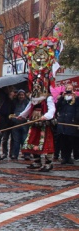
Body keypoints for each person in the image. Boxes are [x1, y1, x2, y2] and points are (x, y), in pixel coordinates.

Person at [18, 37, 58, 172]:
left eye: (38, 85)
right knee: (32, 141)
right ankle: (36, 161)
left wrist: (45, 117)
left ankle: (48, 163)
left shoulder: (48, 97)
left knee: (45, 142)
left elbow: (52, 111)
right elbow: (30, 106)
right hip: (34, 122)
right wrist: (21, 116)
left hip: (44, 123)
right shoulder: (35, 97)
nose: (36, 87)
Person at [56, 84, 78, 164]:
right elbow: (57, 107)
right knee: (62, 140)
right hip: (62, 122)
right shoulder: (63, 99)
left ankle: (68, 157)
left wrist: (76, 120)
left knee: (70, 140)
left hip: (71, 122)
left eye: (70, 89)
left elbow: (77, 110)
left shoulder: (76, 99)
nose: (69, 91)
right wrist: (61, 97)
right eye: (67, 89)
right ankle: (64, 157)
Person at [9, 89, 29, 160]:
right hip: (15, 124)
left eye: (22, 95)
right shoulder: (14, 102)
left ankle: (26, 154)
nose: (21, 96)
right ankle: (15, 154)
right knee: (16, 140)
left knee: (24, 139)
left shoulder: (27, 102)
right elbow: (11, 111)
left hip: (24, 124)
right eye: (20, 95)